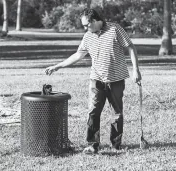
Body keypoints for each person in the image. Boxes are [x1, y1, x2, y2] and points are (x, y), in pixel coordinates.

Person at [45, 8, 141, 154]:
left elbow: (130, 47)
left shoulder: (115, 29)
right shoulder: (88, 36)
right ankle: (92, 144)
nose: (85, 28)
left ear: (95, 21)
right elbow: (78, 55)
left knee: (116, 113)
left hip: (116, 80)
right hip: (96, 79)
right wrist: (57, 66)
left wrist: (136, 70)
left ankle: (115, 145)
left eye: (86, 25)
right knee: (93, 111)